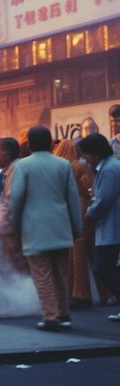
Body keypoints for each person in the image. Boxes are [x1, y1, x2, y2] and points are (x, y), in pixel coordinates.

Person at [9, 126, 82, 331]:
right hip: (61, 225)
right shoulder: (63, 165)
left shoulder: (23, 166)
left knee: (42, 274)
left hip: (34, 226)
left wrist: (15, 224)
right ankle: (64, 314)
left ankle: (50, 316)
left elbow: (16, 198)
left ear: (29, 144)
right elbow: (73, 200)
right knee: (61, 274)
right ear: (51, 143)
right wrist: (77, 227)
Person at [53, 139, 107, 308]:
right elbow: (91, 189)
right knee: (89, 252)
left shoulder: (58, 168)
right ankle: (104, 292)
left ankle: (77, 293)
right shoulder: (80, 167)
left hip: (66, 212)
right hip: (83, 210)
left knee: (75, 254)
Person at [78, 133, 120, 320]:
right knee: (106, 266)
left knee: (101, 267)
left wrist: (91, 211)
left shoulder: (109, 169)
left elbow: (104, 199)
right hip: (111, 224)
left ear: (96, 153)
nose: (86, 158)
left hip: (112, 225)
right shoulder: (108, 167)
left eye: (87, 154)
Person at [0, 137, 28, 274]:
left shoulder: (16, 170)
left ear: (6, 155)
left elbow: (11, 201)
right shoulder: (12, 169)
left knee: (15, 264)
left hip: (13, 229)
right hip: (13, 226)